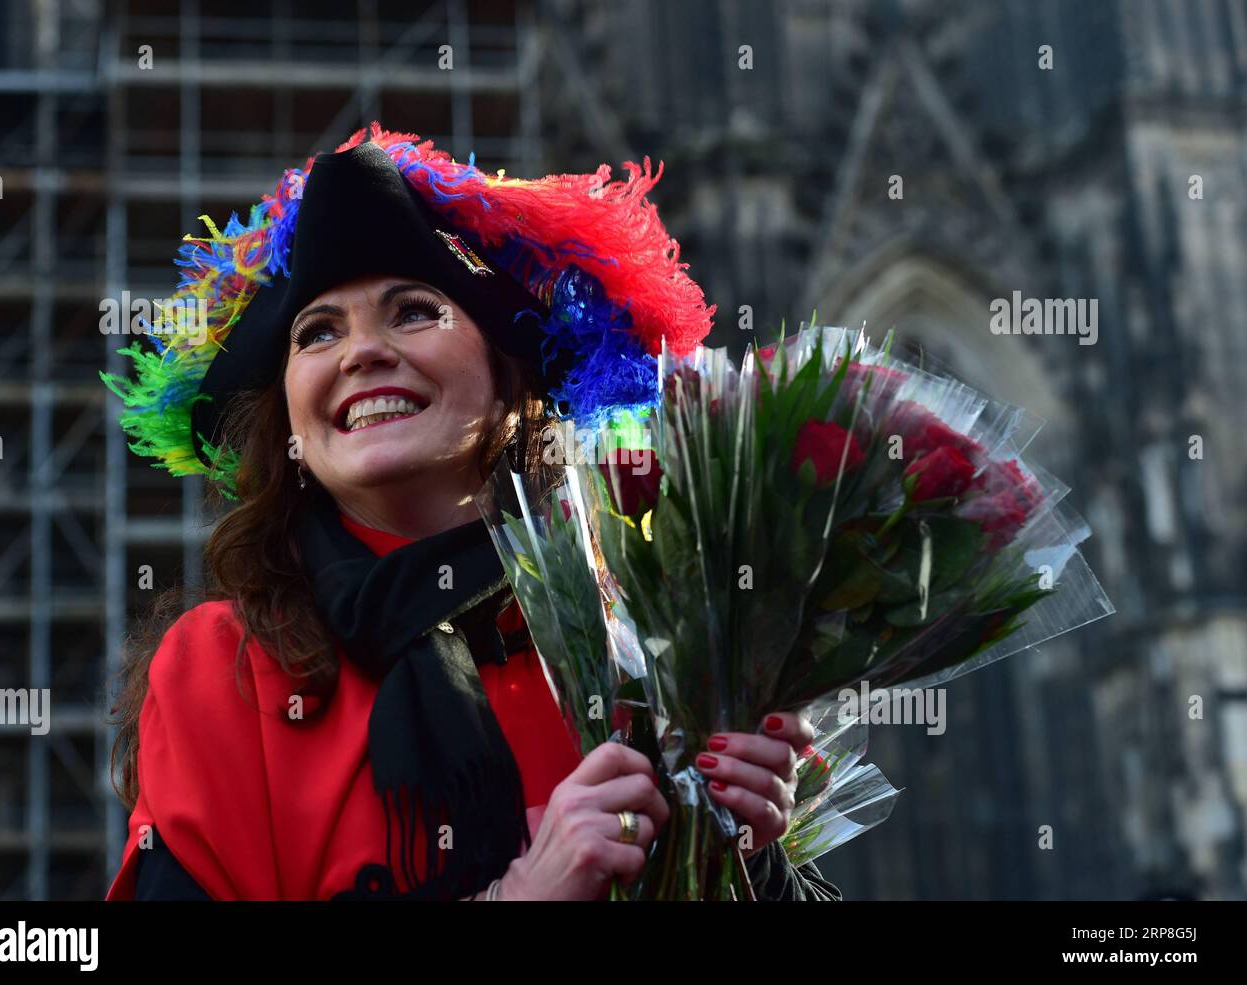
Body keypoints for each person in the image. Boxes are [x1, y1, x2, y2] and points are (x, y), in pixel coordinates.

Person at [101, 123, 841, 901]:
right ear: (287, 418)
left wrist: (745, 852)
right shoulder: (222, 672)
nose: (361, 352)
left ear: (510, 377)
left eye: (414, 311)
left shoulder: (645, 641)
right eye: (318, 331)